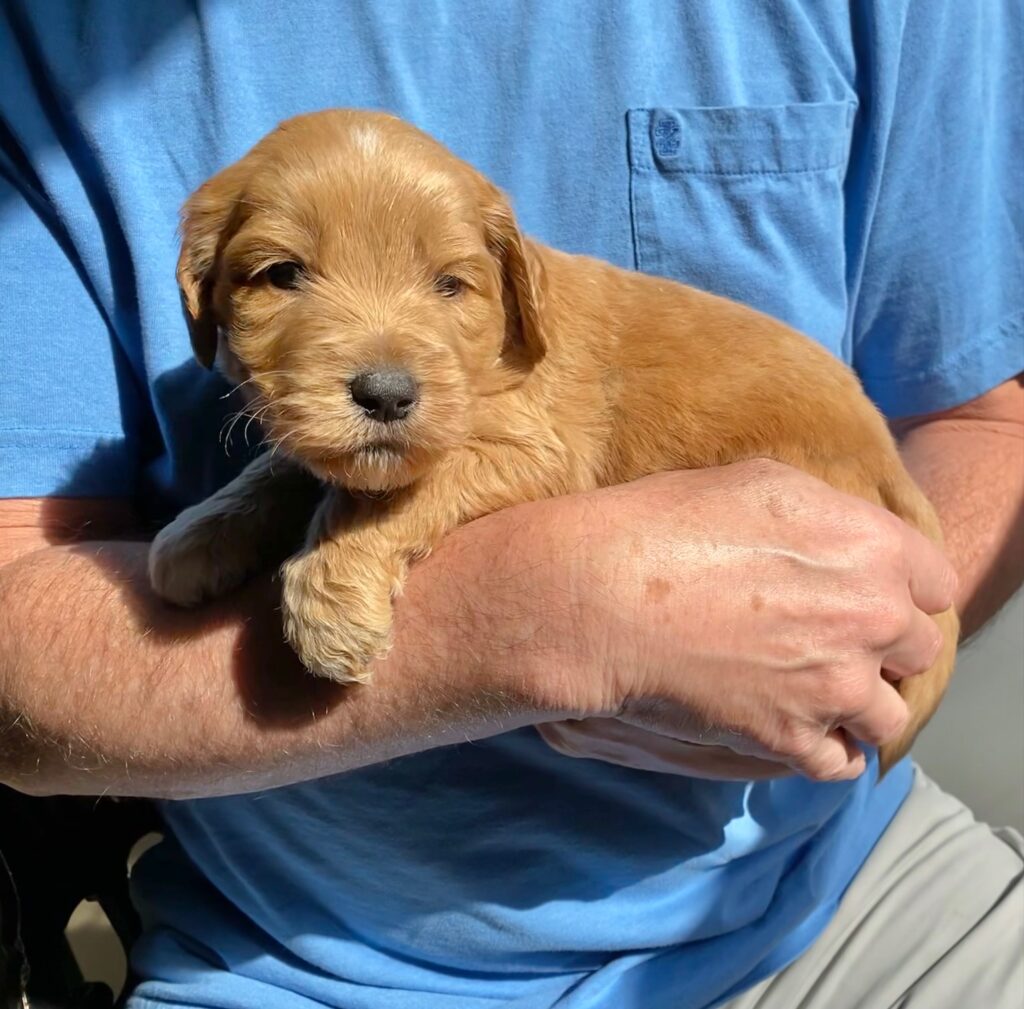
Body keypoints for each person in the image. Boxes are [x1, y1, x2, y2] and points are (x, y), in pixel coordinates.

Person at [1, 2, 1021, 1007]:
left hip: (836, 892)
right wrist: (548, 618)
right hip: (299, 965)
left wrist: (871, 656)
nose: (384, 362)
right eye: (282, 275)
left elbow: (986, 423)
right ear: (203, 293)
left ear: (512, 288)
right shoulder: (48, 46)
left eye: (449, 285)